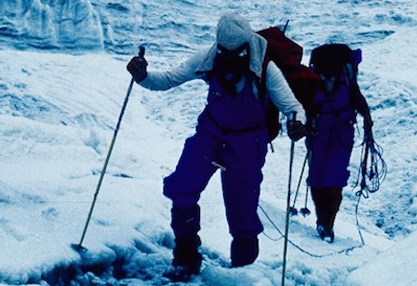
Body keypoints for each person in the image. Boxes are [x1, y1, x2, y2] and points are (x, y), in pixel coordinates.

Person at [126, 12, 307, 280]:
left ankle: (243, 276)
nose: (232, 59)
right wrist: (142, 76)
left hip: (247, 143)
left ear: (247, 46)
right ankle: (186, 258)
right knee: (183, 186)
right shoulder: (208, 57)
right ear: (219, 46)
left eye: (238, 54)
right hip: (210, 135)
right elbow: (166, 80)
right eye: (226, 52)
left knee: (242, 213)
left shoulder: (265, 67)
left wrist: (297, 122)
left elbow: (293, 107)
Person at [306, 44, 372, 243]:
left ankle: (327, 223)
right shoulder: (318, 79)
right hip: (320, 133)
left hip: (340, 132)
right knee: (317, 178)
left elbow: (356, 97)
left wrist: (367, 117)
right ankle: (324, 221)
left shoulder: (342, 76)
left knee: (333, 177)